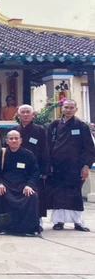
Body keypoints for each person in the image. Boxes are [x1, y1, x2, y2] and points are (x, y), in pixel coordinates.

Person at [47, 99, 95, 231]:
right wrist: (48, 164)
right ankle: (59, 221)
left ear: (76, 109)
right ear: (62, 108)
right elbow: (48, 146)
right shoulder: (54, 125)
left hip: (75, 166)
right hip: (57, 165)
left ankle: (78, 222)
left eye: (71, 107)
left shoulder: (81, 126)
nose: (68, 110)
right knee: (58, 193)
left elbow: (89, 148)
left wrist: (86, 166)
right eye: (66, 107)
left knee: (75, 193)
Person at [0, 131, 41, 236]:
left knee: (33, 196)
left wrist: (29, 185)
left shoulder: (28, 154)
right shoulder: (2, 153)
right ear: (7, 141)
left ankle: (31, 229)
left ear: (21, 140)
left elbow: (35, 172)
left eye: (16, 138)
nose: (14, 141)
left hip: (23, 185)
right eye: (11, 138)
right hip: (6, 185)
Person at [16, 104, 50, 226]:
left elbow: (45, 149)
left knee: (37, 193)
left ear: (33, 115)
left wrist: (45, 170)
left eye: (28, 112)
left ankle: (38, 220)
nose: (25, 115)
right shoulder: (15, 130)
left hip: (35, 168)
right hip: (18, 168)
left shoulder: (39, 130)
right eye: (23, 112)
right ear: (18, 115)